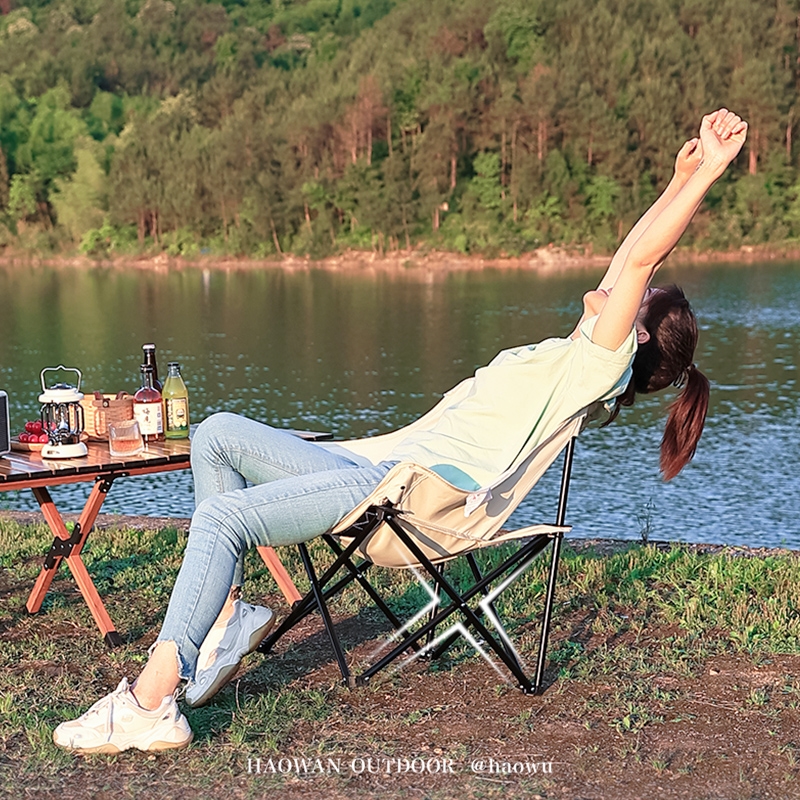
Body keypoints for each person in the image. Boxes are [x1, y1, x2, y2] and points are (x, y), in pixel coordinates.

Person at [52, 108, 748, 754]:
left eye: (639, 299)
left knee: (222, 520)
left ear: (635, 336)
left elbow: (644, 258)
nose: (625, 283)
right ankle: (227, 620)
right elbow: (632, 258)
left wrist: (710, 174)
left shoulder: (596, 366)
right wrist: (677, 178)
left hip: (408, 499)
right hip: (377, 469)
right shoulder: (578, 355)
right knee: (216, 434)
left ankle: (153, 699)